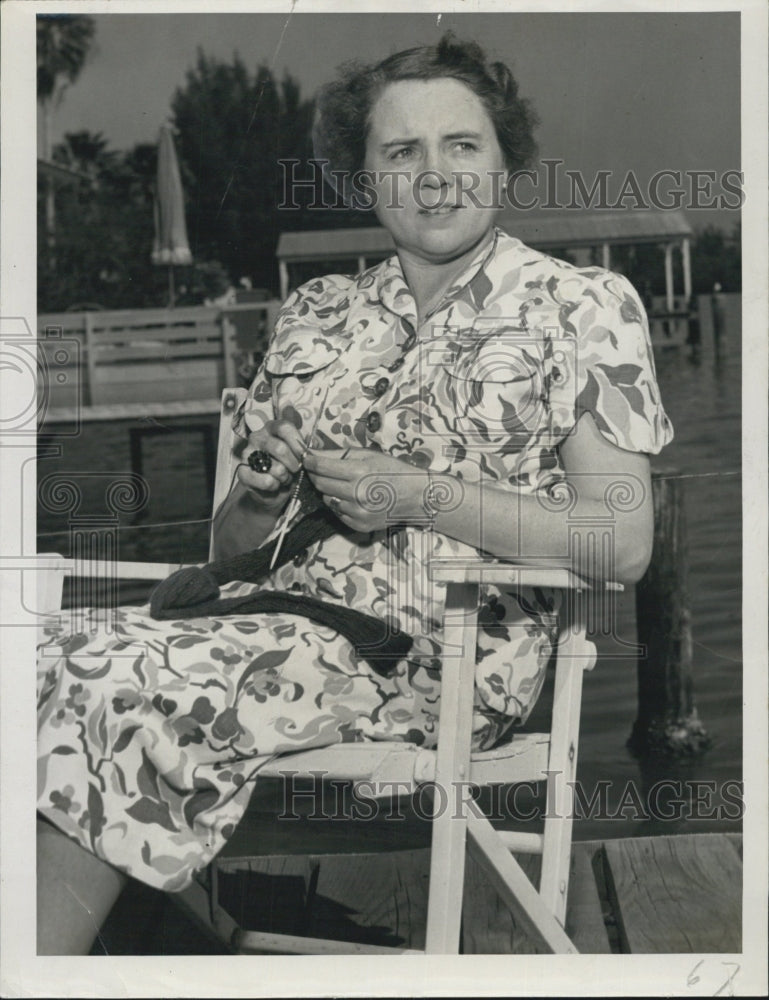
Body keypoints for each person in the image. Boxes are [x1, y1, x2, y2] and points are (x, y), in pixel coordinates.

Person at [36, 34, 674, 954]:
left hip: (438, 655)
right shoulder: (316, 312)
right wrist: (261, 494)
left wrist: (418, 496)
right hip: (259, 623)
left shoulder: (581, 306)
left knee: (114, 686)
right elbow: (228, 552)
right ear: (363, 176)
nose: (434, 176)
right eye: (401, 151)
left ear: (504, 160)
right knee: (30, 656)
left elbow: (622, 544)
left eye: (461, 145)